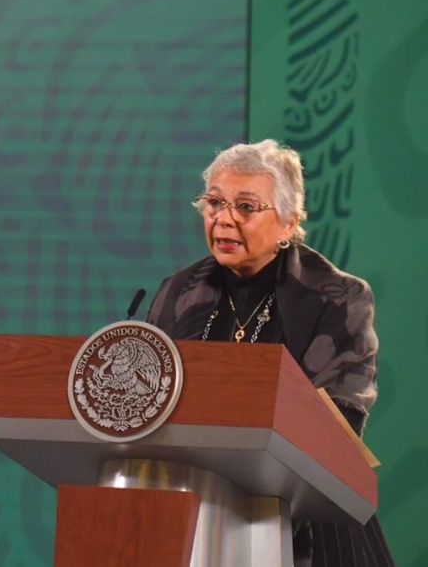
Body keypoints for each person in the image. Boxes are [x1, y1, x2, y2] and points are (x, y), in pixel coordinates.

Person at [146, 139, 395, 567]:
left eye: (245, 207)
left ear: (288, 223)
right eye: (214, 203)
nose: (224, 219)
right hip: (192, 517)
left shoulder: (337, 298)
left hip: (309, 525)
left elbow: (338, 422)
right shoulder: (178, 292)